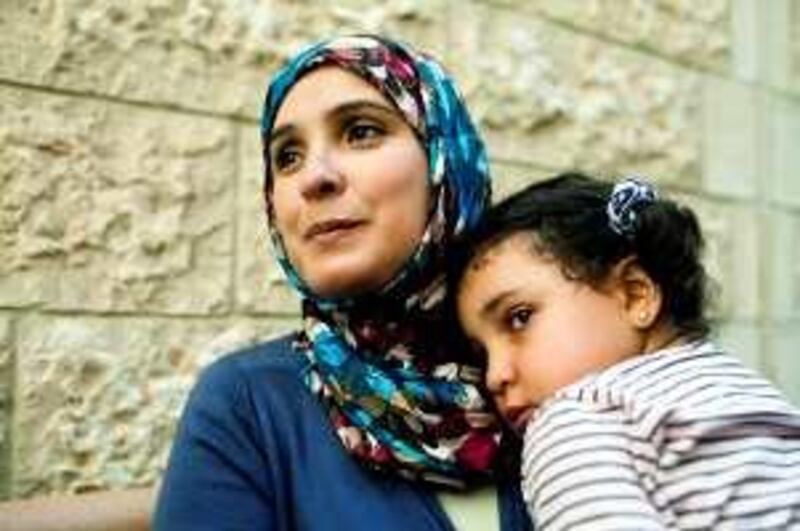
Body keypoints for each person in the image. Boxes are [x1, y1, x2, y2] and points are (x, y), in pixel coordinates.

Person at [153, 35, 531, 530]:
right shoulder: (249, 405)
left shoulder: (548, 368)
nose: (315, 177)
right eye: (287, 156)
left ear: (446, 162)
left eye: (360, 131)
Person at [454, 172, 800, 530]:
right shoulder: (746, 388)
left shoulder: (573, 422)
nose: (494, 376)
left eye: (519, 317)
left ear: (635, 294)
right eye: (481, 354)